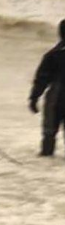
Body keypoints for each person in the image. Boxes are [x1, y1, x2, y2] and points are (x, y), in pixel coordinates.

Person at [28, 19, 65, 156]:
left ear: (60, 34)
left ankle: (46, 165)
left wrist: (33, 98)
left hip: (55, 100)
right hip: (56, 98)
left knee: (49, 136)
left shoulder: (52, 55)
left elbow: (41, 80)